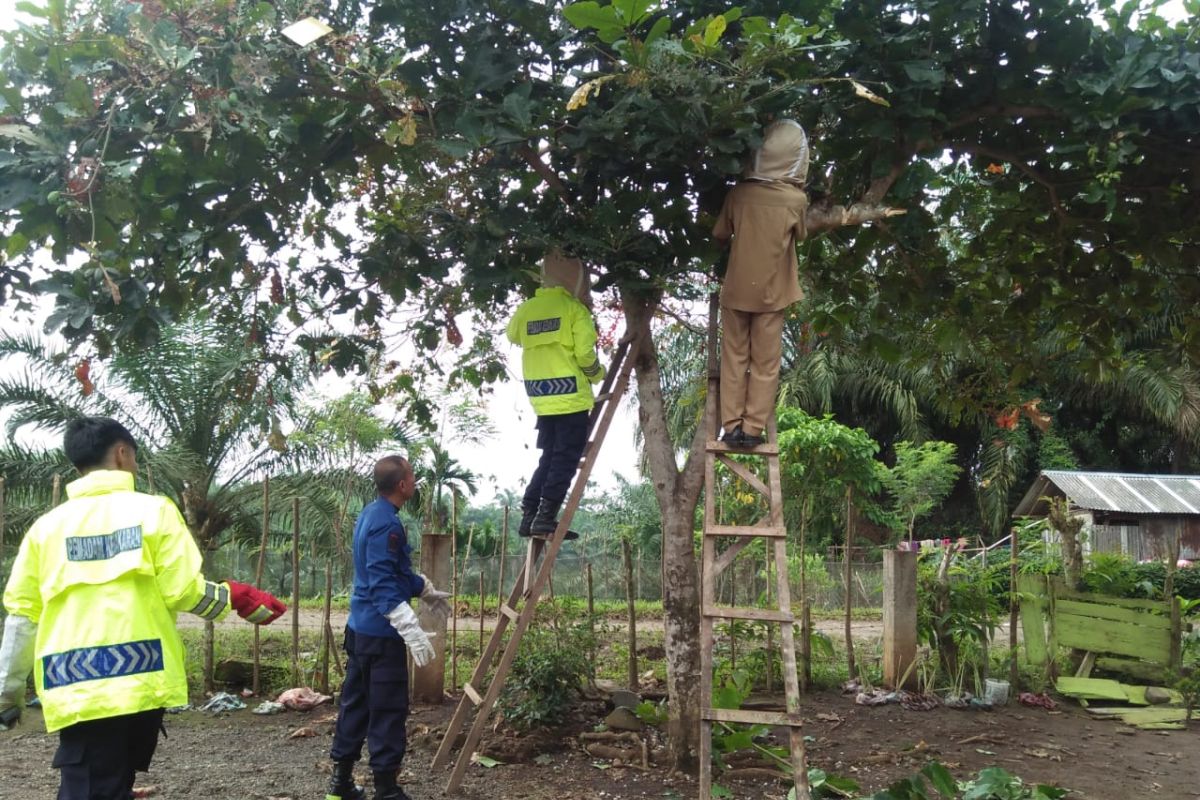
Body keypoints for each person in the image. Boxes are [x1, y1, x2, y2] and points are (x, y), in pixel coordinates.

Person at [0, 416, 287, 800]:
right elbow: (184, 591)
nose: (136, 466)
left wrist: (8, 694)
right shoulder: (154, 512)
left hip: (76, 687)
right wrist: (234, 596)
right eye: (134, 458)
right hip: (141, 679)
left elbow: (21, 617)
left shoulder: (45, 530)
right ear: (121, 454)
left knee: (92, 786)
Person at [326, 455, 452, 800]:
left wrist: (421, 588)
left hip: (360, 629)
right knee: (387, 709)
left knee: (356, 704)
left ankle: (340, 785)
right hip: (381, 636)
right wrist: (407, 626)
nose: (415, 482)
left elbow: (391, 572)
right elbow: (382, 582)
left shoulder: (372, 513)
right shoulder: (388, 525)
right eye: (412, 477)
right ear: (401, 485)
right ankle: (386, 790)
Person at [712, 119, 810, 448]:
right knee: (766, 363)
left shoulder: (738, 194)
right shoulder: (796, 201)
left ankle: (731, 426)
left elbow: (720, 234)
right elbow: (802, 235)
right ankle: (753, 430)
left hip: (738, 289)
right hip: (773, 294)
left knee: (734, 359)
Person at [506, 250, 606, 540]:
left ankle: (529, 515)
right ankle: (545, 518)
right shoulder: (575, 310)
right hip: (570, 396)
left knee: (549, 457)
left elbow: (513, 335)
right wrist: (597, 375)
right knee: (564, 459)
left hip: (540, 397)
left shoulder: (527, 309)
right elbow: (586, 354)